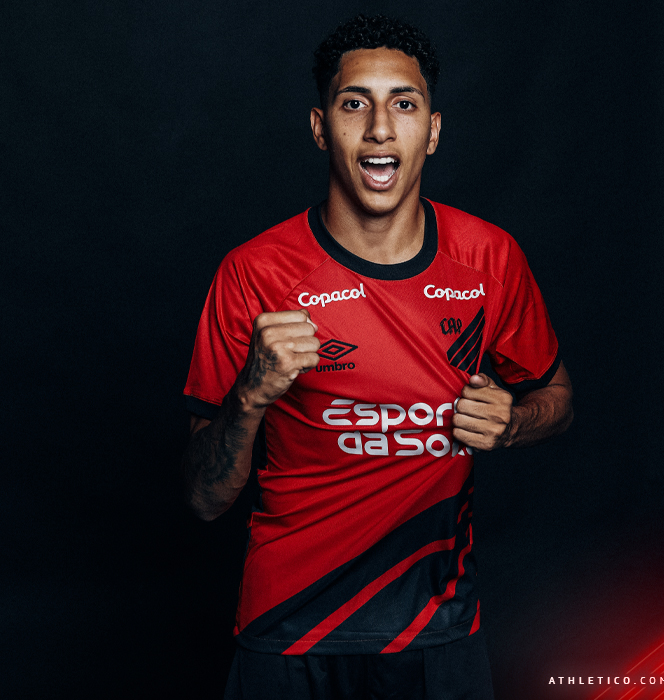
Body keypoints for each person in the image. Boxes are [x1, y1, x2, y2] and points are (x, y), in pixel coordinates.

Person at [182, 14, 573, 700]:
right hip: (288, 628)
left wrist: (514, 422)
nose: (380, 129)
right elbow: (203, 499)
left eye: (405, 104)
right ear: (319, 127)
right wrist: (249, 396)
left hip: (435, 629)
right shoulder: (254, 272)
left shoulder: (489, 257)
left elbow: (558, 399)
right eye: (354, 103)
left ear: (433, 130)